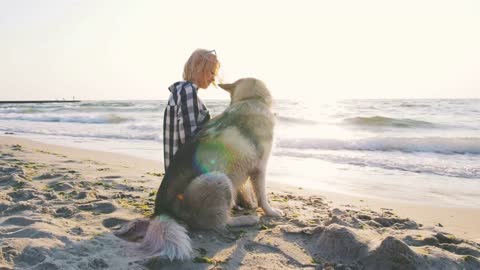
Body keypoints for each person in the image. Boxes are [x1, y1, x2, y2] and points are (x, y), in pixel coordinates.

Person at [163, 49, 220, 171]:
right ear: (198, 68)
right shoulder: (187, 91)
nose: (213, 79)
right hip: (186, 175)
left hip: (176, 173)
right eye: (211, 72)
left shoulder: (180, 90)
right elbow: (189, 139)